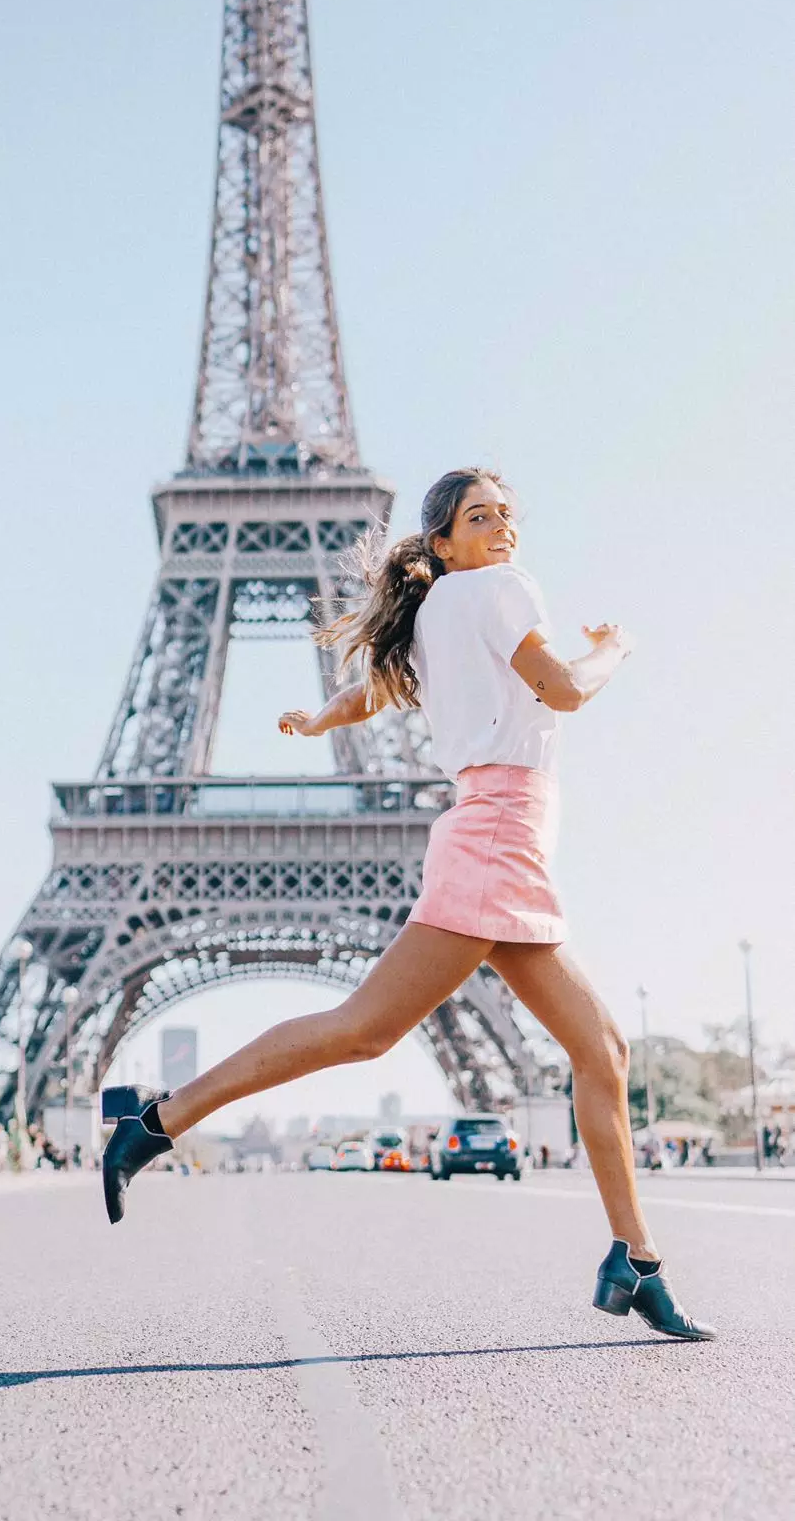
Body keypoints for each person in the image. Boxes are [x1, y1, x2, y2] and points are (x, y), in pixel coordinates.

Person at [101, 467, 714, 1342]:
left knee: (601, 1049)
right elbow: (565, 688)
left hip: (501, 837)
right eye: (480, 516)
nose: (502, 528)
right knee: (365, 1029)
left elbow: (375, 691)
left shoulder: (435, 617)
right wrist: (617, 646)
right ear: (442, 544)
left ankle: (637, 1260)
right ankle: (158, 1121)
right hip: (498, 833)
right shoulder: (501, 591)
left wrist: (320, 724)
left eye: (508, 515)